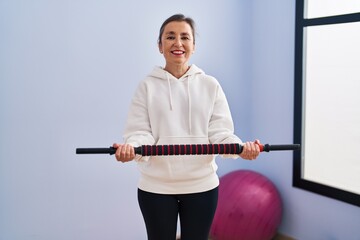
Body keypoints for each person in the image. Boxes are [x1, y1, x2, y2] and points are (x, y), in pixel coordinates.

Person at [112, 13, 261, 240]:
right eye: (170, 37)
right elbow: (140, 132)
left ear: (193, 45)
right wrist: (131, 148)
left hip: (202, 186)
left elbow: (220, 133)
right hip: (156, 187)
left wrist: (241, 148)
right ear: (160, 46)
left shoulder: (211, 85)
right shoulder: (146, 87)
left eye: (185, 37)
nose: (178, 43)